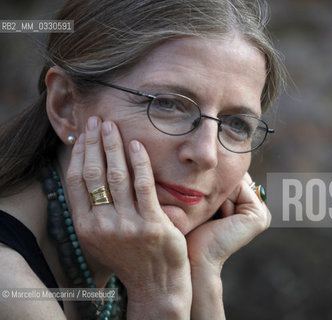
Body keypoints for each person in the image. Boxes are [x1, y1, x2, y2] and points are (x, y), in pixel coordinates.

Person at [0, 0, 286, 319]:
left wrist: (202, 272)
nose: (206, 154)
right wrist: (158, 296)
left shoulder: (146, 259)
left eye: (236, 125)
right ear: (66, 105)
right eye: (167, 104)